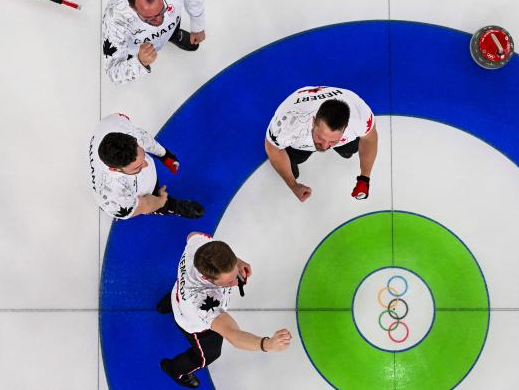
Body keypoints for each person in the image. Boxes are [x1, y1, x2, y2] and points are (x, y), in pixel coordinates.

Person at [157, 232, 291, 388]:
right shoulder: (204, 304)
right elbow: (233, 335)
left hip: (178, 295)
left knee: (178, 298)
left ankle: (167, 305)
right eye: (230, 281)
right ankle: (175, 370)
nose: (238, 280)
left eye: (235, 270)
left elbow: (192, 235)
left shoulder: (200, 247)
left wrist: (238, 262)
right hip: (192, 323)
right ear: (207, 279)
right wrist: (268, 344)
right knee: (208, 355)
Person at [265, 86, 378, 202]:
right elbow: (273, 148)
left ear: (345, 129)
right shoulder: (287, 125)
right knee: (292, 162)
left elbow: (369, 139)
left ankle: (336, 144)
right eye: (320, 138)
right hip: (299, 140)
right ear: (313, 122)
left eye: (333, 141)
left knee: (353, 147)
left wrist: (364, 178)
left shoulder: (360, 117)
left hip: (341, 133)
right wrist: (293, 185)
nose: (325, 147)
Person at [89, 113, 204, 219]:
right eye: (137, 166)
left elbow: (144, 138)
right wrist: (161, 201)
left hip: (136, 177)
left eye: (143, 156)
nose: (146, 164)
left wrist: (164, 155)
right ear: (114, 169)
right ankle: (173, 207)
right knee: (153, 205)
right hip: (130, 195)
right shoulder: (114, 198)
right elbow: (146, 205)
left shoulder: (118, 124)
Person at [102, 0, 206, 84]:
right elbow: (112, 71)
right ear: (132, 8)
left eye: (162, 10)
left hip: (172, 26)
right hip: (137, 48)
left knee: (173, 29)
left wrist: (198, 25)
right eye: (149, 17)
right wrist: (139, 62)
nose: (159, 20)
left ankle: (173, 35)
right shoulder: (114, 18)